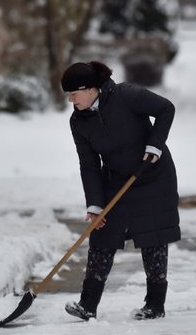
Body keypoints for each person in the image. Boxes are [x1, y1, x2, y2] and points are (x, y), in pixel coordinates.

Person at [61, 60, 180, 321]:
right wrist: (95, 204)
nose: (72, 100)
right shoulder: (79, 122)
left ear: (91, 89)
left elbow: (165, 109)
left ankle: (155, 305)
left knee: (153, 238)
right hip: (116, 180)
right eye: (68, 95)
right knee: (102, 236)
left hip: (152, 174)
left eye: (74, 94)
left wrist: (155, 145)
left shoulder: (126, 95)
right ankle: (87, 304)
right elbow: (89, 165)